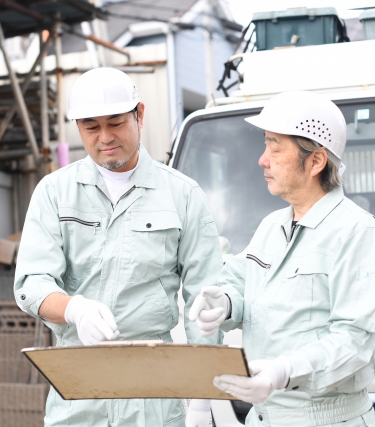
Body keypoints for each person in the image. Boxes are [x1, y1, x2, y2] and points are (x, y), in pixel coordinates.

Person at [14, 67, 222, 427]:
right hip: (77, 391)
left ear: (139, 114)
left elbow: (205, 299)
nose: (105, 137)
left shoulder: (182, 195)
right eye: (91, 127)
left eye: (115, 123)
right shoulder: (54, 193)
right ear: (78, 128)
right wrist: (74, 309)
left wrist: (204, 397)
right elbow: (31, 284)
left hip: (152, 394)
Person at [189, 91, 375, 427]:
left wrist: (284, 371)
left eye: (274, 148)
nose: (262, 160)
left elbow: (357, 340)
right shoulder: (272, 226)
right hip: (263, 417)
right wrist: (224, 303)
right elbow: (241, 282)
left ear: (315, 162)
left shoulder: (358, 233)